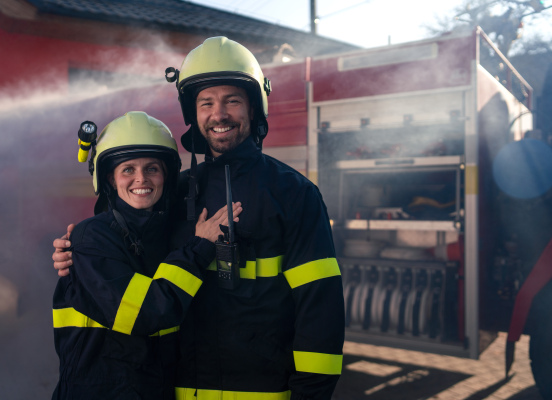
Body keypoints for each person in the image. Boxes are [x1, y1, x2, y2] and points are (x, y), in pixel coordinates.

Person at [54, 37, 345, 400]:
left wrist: (311, 395)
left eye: (232, 101)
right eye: (206, 103)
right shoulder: (173, 191)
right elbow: (124, 243)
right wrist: (76, 246)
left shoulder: (294, 194)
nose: (219, 114)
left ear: (254, 108)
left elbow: (320, 306)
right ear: (193, 114)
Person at [52, 111, 241, 399]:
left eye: (152, 168)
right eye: (128, 169)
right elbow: (144, 313)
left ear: (166, 176)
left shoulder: (163, 234)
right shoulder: (92, 237)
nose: (141, 178)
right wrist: (200, 248)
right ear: (110, 180)